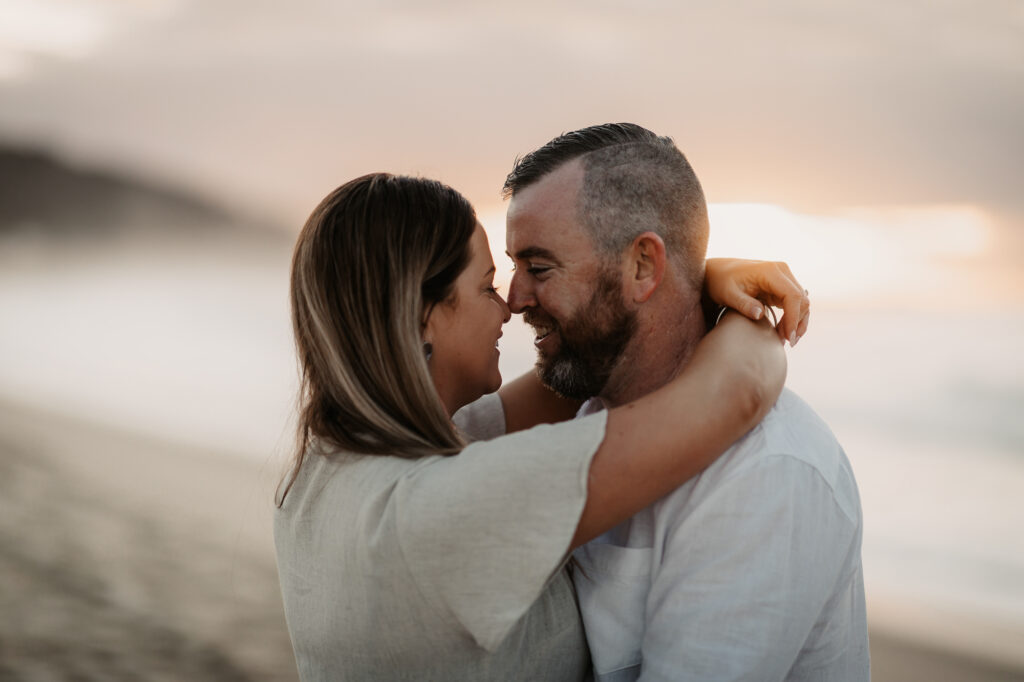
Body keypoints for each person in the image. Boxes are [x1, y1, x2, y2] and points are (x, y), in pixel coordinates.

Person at [274, 171, 804, 681]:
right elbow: (737, 393)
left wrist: (684, 276)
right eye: (486, 287)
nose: (510, 306)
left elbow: (583, 370)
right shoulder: (443, 508)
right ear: (420, 314)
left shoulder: (325, 469)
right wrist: (752, 313)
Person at [502, 122, 868, 681]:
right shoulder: (585, 413)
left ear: (644, 265)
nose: (514, 299)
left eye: (539, 267)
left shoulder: (767, 474)